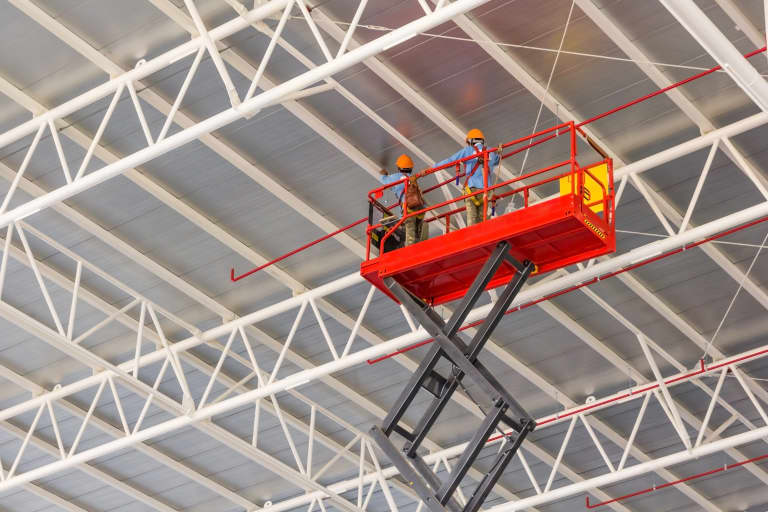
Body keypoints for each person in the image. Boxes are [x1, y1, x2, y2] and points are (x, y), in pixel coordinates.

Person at [436, 129, 502, 226]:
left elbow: (450, 161)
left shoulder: (467, 151)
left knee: (472, 222)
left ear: (470, 141)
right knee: (482, 222)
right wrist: (498, 150)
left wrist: (433, 167)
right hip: (486, 191)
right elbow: (497, 160)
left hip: (471, 191)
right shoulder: (491, 151)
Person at [378, 154, 429, 246]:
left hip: (408, 208)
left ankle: (410, 249)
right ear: (411, 168)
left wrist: (383, 174)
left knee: (409, 227)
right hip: (419, 207)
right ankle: (422, 244)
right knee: (419, 226)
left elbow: (384, 180)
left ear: (399, 167)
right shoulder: (413, 177)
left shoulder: (395, 177)